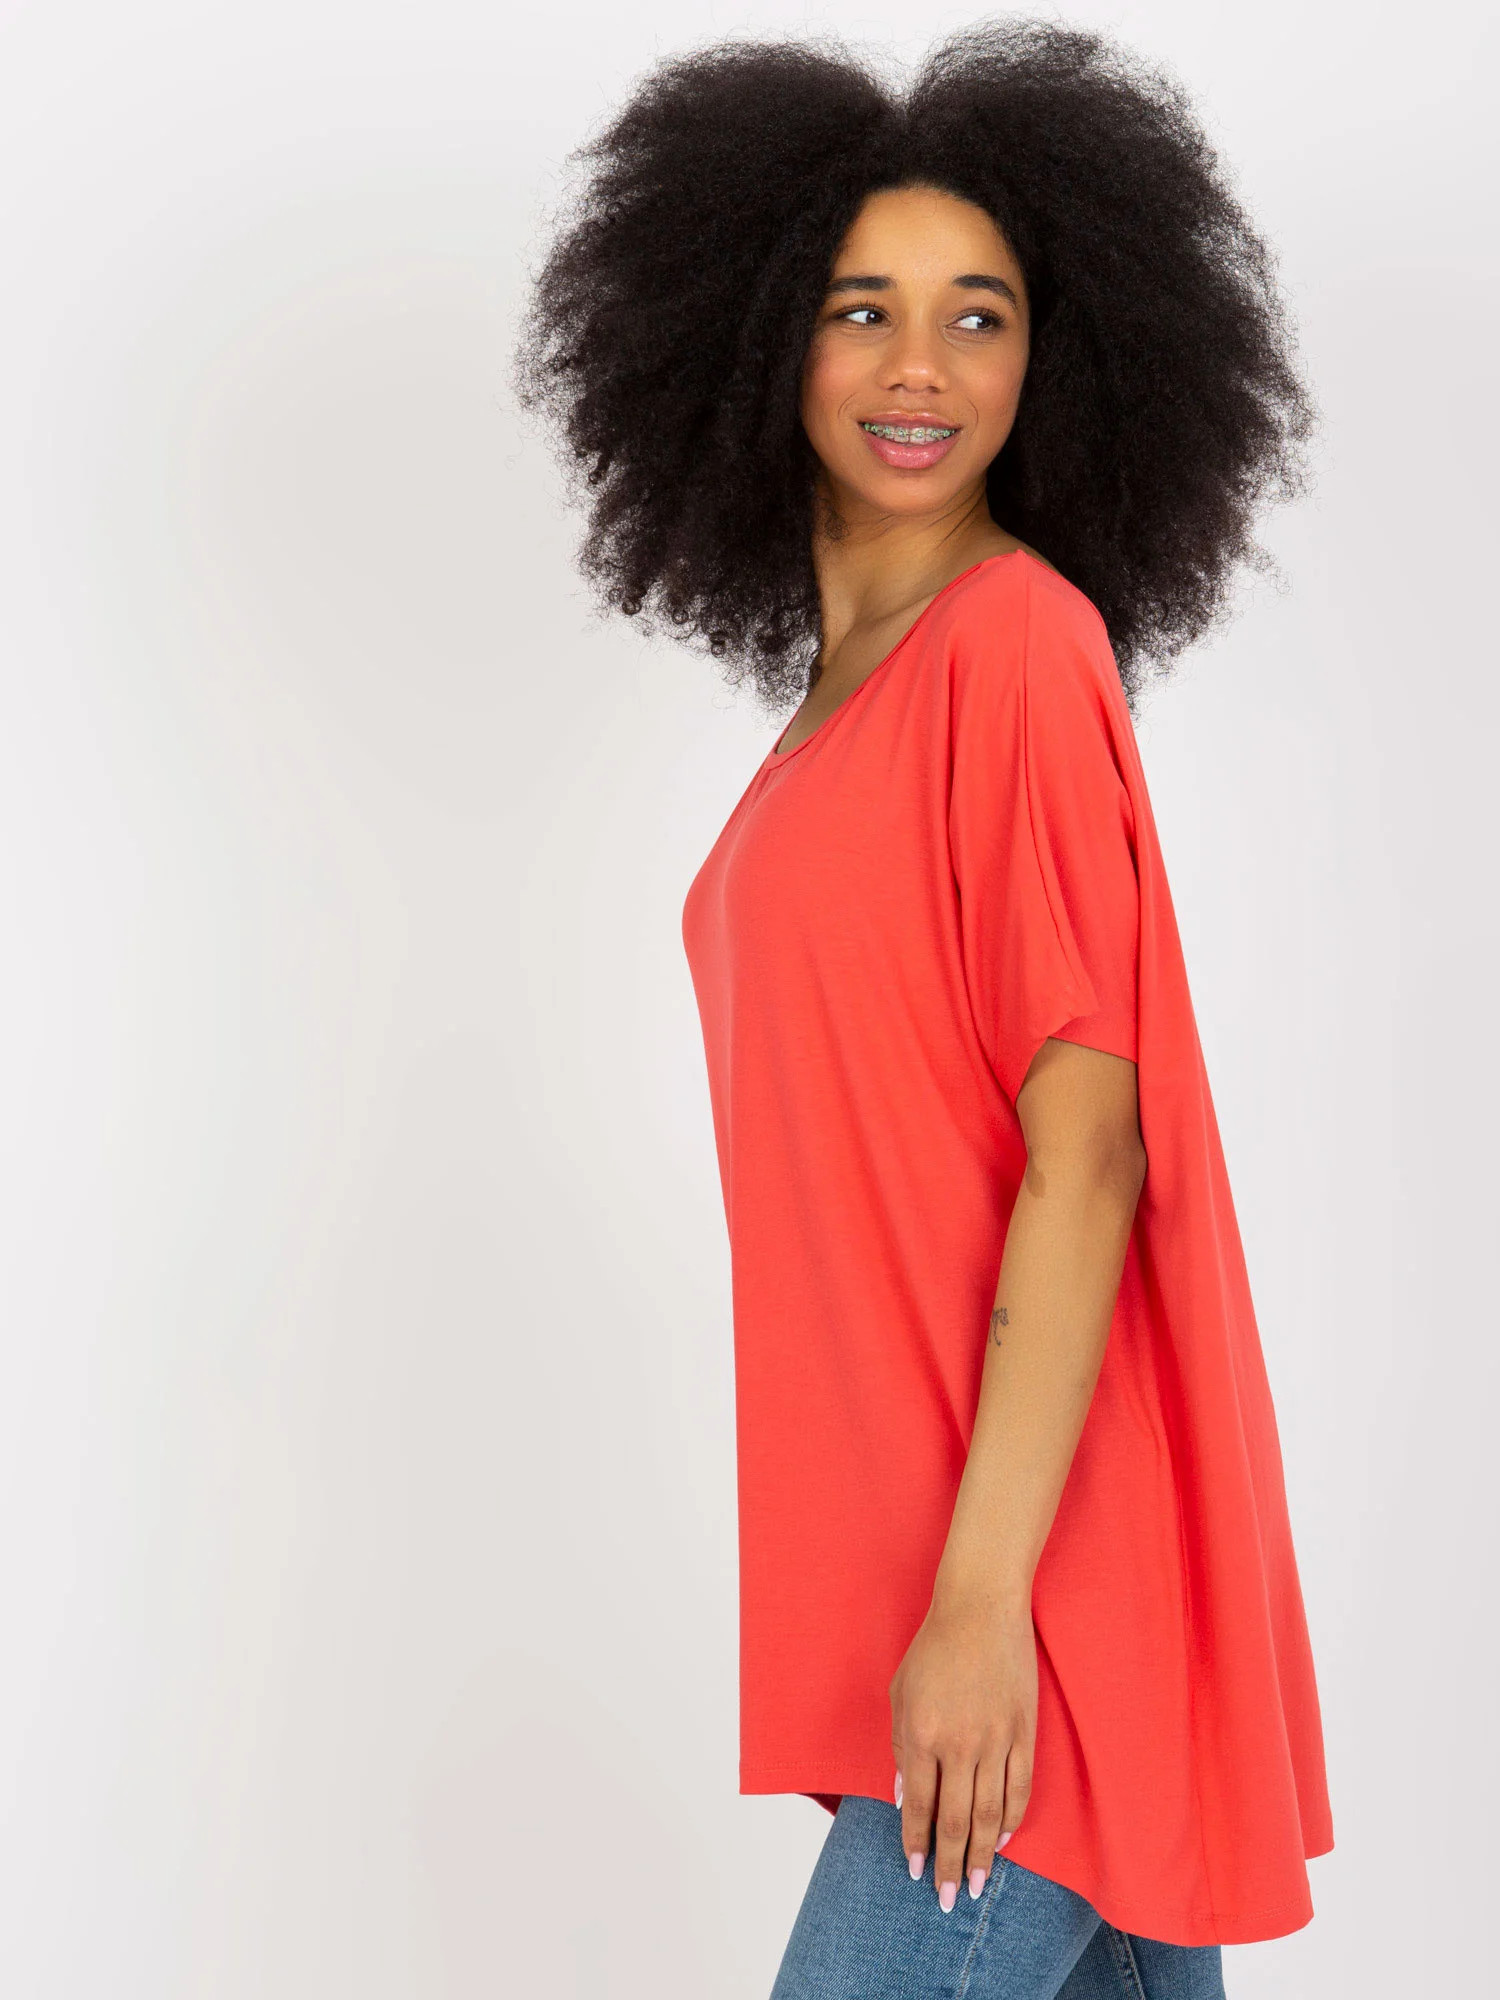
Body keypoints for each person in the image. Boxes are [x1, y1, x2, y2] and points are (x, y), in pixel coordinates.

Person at [514, 19, 1333, 1996]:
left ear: (1059, 357)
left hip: (1036, 1603)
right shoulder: (842, 704)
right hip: (972, 1585)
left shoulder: (1015, 649)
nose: (920, 368)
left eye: (981, 316)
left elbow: (1088, 1157)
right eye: (861, 309)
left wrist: (979, 1610)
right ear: (751, 338)